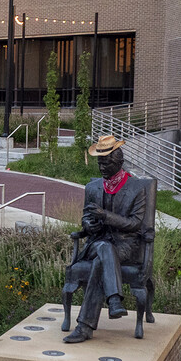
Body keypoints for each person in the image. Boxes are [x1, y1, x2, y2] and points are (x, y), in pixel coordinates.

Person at [64, 135, 145, 344]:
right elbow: (85, 219)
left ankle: (85, 327)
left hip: (125, 246)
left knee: (102, 258)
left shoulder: (137, 189)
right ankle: (115, 300)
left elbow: (136, 224)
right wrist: (89, 225)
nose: (101, 167)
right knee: (102, 247)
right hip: (96, 243)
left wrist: (106, 216)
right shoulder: (93, 188)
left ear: (118, 162)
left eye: (106, 162)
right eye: (99, 162)